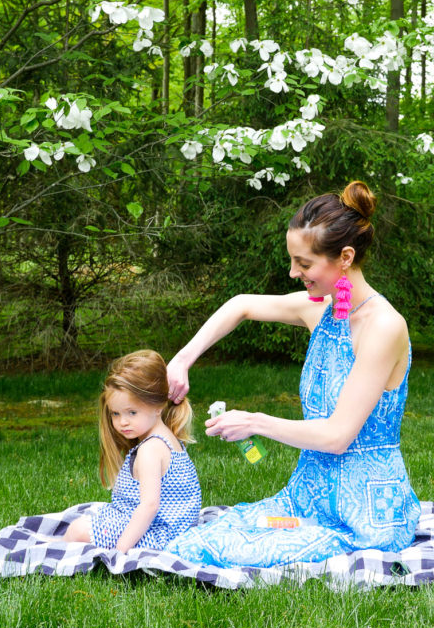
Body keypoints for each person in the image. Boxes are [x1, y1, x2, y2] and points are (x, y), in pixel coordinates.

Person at [163, 180, 420, 568]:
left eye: (303, 263)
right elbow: (241, 305)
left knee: (220, 553)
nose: (292, 272)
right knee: (203, 539)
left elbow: (336, 436)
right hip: (304, 500)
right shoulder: (322, 309)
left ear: (345, 257)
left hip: (367, 516)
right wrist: (182, 359)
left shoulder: (383, 327)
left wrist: (254, 422)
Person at [64, 350, 201, 552]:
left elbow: (149, 506)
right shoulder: (168, 438)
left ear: (159, 406)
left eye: (132, 412)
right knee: (91, 518)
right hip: (172, 529)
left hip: (158, 537)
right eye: (115, 414)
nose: (122, 422)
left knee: (78, 530)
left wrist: (121, 550)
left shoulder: (150, 450)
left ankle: (55, 547)